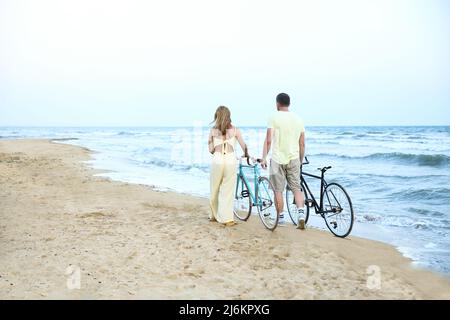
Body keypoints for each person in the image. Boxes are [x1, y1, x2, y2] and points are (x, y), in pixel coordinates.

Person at [261, 93, 306, 229]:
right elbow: (302, 143)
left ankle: (280, 218)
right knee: (296, 188)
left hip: (277, 159)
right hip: (294, 158)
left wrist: (263, 157)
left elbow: (269, 140)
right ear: (289, 103)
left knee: (277, 190)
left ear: (277, 103)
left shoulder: (274, 117)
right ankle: (301, 214)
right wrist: (300, 160)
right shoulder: (298, 119)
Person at [208, 106, 248, 226]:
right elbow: (244, 146)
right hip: (230, 160)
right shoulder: (235, 130)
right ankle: (227, 219)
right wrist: (246, 155)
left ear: (217, 116)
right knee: (228, 189)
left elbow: (210, 149)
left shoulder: (213, 131)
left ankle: (213, 216)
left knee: (214, 188)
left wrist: (216, 146)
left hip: (217, 159)